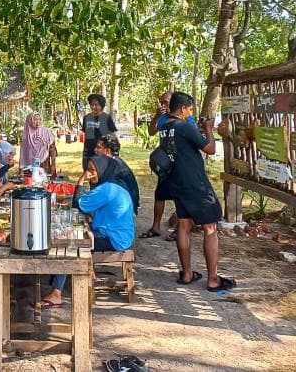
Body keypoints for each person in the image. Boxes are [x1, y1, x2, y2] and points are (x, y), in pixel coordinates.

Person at [42, 156, 135, 308]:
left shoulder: (106, 189)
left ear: (103, 170)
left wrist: (81, 180)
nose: (90, 174)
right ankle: (69, 277)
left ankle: (56, 293)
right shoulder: (114, 186)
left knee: (70, 243)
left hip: (114, 238)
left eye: (93, 171)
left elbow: (78, 204)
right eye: (88, 170)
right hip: (121, 235)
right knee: (74, 232)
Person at [165, 91, 235, 291]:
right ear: (182, 109)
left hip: (176, 183)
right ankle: (213, 279)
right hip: (196, 185)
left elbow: (185, 144)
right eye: (189, 109)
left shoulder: (165, 127)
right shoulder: (183, 126)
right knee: (210, 227)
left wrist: (198, 129)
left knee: (184, 226)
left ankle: (187, 274)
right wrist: (208, 128)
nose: (190, 113)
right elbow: (210, 149)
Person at [141, 91, 198, 241]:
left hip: (181, 165)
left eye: (166, 102)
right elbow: (151, 131)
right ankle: (156, 226)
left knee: (181, 197)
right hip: (165, 163)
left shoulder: (187, 119)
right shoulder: (162, 118)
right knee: (160, 194)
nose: (163, 105)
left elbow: (194, 138)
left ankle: (180, 229)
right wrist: (156, 116)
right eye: (162, 102)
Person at [94, 134, 140, 215]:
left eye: (98, 147)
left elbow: (102, 193)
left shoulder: (113, 168)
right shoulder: (115, 162)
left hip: (123, 210)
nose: (95, 150)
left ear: (107, 151)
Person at [81, 93, 117, 170]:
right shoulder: (86, 118)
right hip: (88, 153)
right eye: (92, 104)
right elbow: (86, 135)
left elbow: (114, 137)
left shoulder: (106, 118)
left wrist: (113, 152)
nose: (93, 107)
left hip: (102, 153)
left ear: (102, 106)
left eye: (96, 105)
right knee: (89, 175)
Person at [20, 112, 57, 177]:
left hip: (44, 165)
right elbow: (23, 155)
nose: (38, 121)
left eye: (39, 119)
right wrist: (21, 170)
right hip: (30, 167)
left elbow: (52, 149)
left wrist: (53, 164)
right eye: (35, 119)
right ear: (29, 121)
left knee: (45, 183)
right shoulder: (26, 136)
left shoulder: (46, 132)